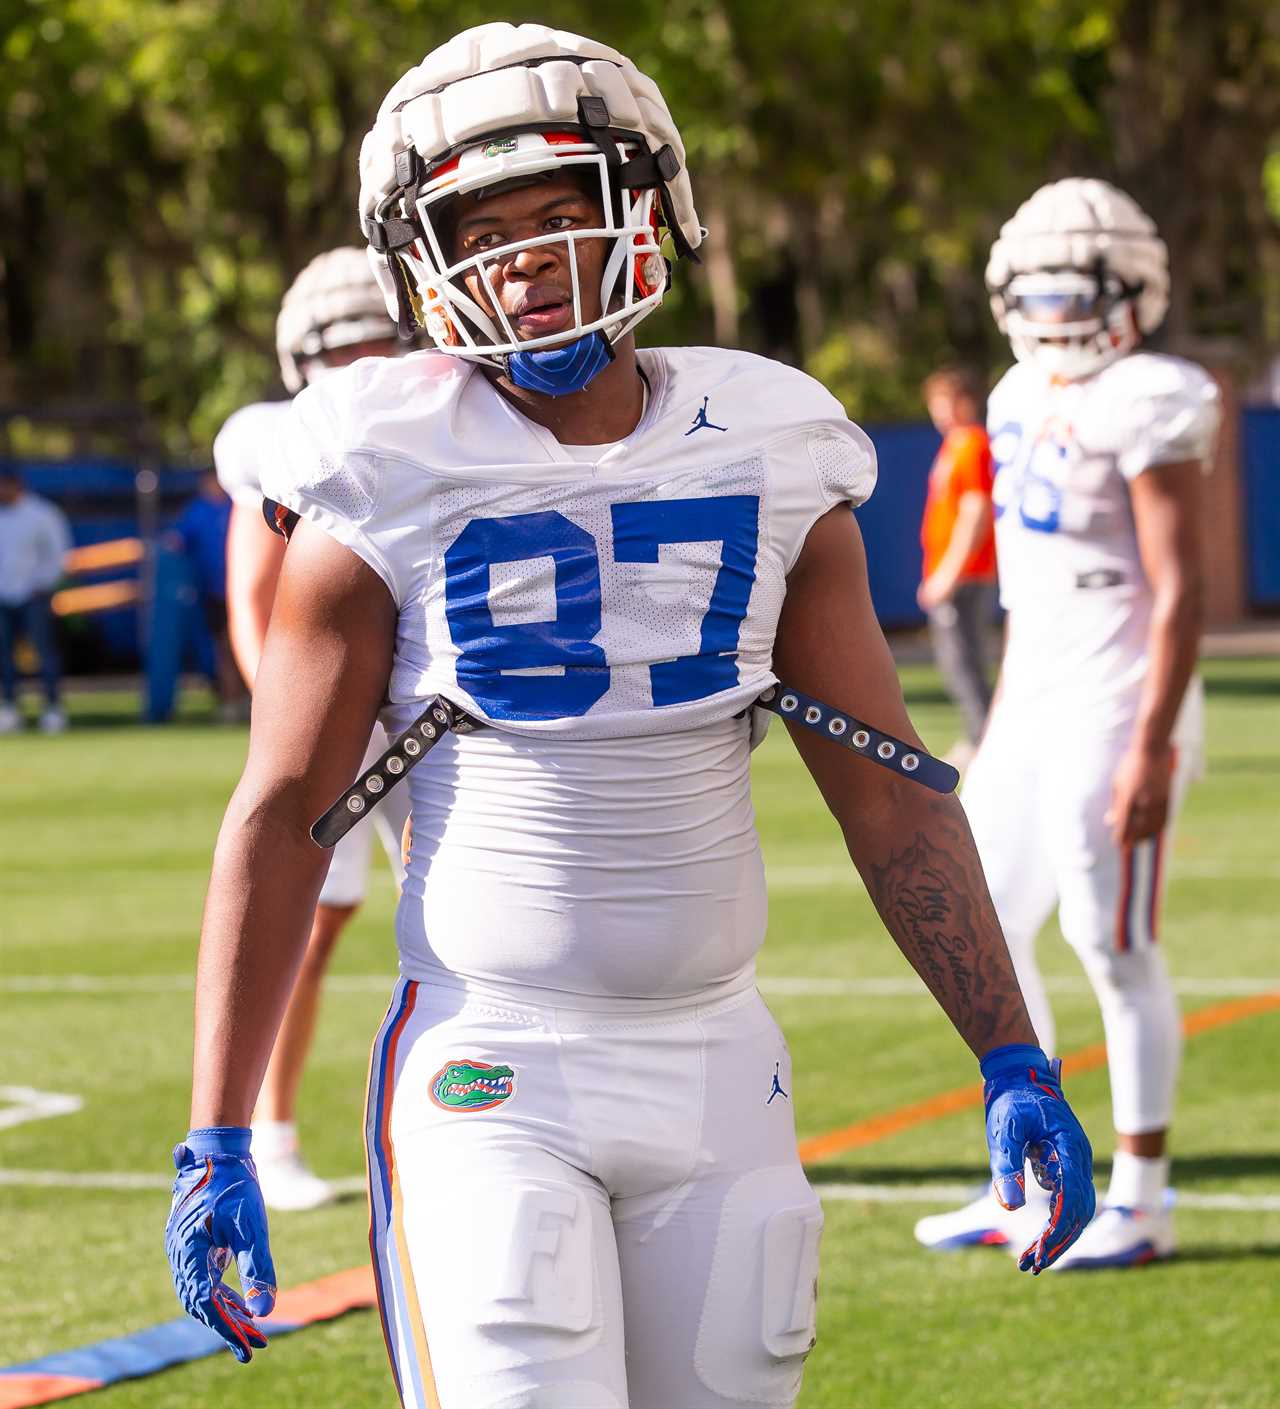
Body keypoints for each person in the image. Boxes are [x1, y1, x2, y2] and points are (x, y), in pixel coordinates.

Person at [165, 26, 1094, 1406]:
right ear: (420, 263)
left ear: (646, 216)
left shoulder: (769, 439)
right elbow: (286, 816)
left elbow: (889, 791)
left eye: (558, 215)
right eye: (482, 231)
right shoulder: (379, 461)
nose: (527, 259)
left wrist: (1009, 1046)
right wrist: (217, 1135)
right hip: (491, 1070)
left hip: (722, 1065)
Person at [913, 178, 1220, 1269]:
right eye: (1031, 286)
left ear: (1125, 289)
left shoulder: (1152, 393)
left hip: (1115, 698)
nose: (1048, 308)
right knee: (985, 928)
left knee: (1110, 940)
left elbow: (1177, 589)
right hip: (1035, 695)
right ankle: (1028, 1178)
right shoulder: (1006, 394)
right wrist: (997, 728)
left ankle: (1140, 1194)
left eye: (1068, 285)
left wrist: (1148, 741)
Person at [210, 248, 412, 1209]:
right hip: (344, 725)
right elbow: (254, 600)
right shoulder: (277, 437)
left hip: (433, 716)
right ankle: (267, 1132)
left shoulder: (460, 422)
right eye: (351, 346)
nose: (369, 362)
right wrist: (294, 739)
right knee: (308, 924)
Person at [917, 366, 997, 764]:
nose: (940, 412)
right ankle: (981, 735)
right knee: (956, 659)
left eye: (946, 402)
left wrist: (949, 571)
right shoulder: (954, 445)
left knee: (962, 659)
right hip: (953, 569)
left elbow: (975, 509)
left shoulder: (972, 444)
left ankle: (984, 738)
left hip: (965, 573)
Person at [168, 469, 247, 721]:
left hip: (242, 589)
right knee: (225, 648)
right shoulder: (198, 511)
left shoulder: (240, 507)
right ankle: (231, 701)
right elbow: (176, 541)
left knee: (240, 645)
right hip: (214, 593)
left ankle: (244, 699)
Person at [0, 467, 71, 734]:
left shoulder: (42, 514)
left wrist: (42, 585)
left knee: (44, 653)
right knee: (5, 655)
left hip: (34, 595)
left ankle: (53, 708)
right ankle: (9, 707)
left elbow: (59, 554)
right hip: (3, 596)